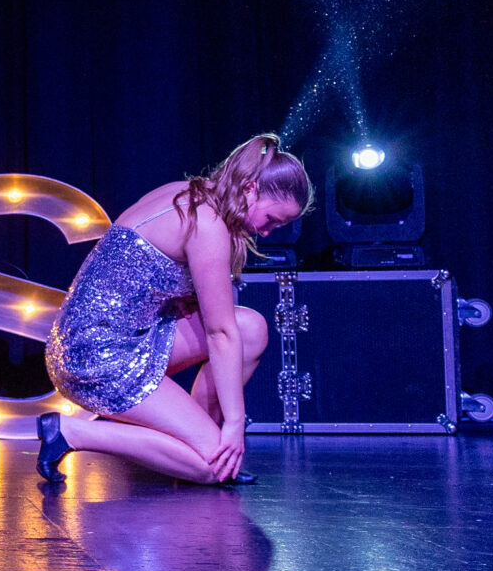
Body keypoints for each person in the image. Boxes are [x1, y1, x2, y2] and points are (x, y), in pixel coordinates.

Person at [36, 134, 312, 486]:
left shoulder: (190, 193)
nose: (269, 232)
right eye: (272, 219)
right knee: (214, 467)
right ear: (250, 189)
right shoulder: (207, 222)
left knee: (252, 328)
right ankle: (71, 432)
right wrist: (235, 423)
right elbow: (219, 332)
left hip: (120, 340)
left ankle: (199, 442)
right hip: (94, 358)